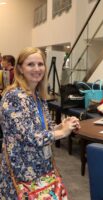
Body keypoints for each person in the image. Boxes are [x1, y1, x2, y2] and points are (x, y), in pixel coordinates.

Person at [0, 47, 80, 198]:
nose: (37, 69)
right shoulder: (13, 97)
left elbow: (46, 129)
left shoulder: (38, 96)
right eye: (30, 64)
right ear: (20, 69)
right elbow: (29, 137)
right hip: (21, 172)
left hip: (42, 167)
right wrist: (62, 132)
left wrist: (64, 125)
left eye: (40, 64)